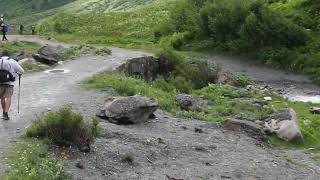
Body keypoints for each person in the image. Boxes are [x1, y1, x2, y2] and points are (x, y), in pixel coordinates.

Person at [0, 49, 24, 120]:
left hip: (0, 83)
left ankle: (3, 111)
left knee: (2, 98)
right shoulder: (12, 61)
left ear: (1, 55)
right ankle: (6, 113)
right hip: (10, 83)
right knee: (8, 97)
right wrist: (16, 74)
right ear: (8, 55)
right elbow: (22, 71)